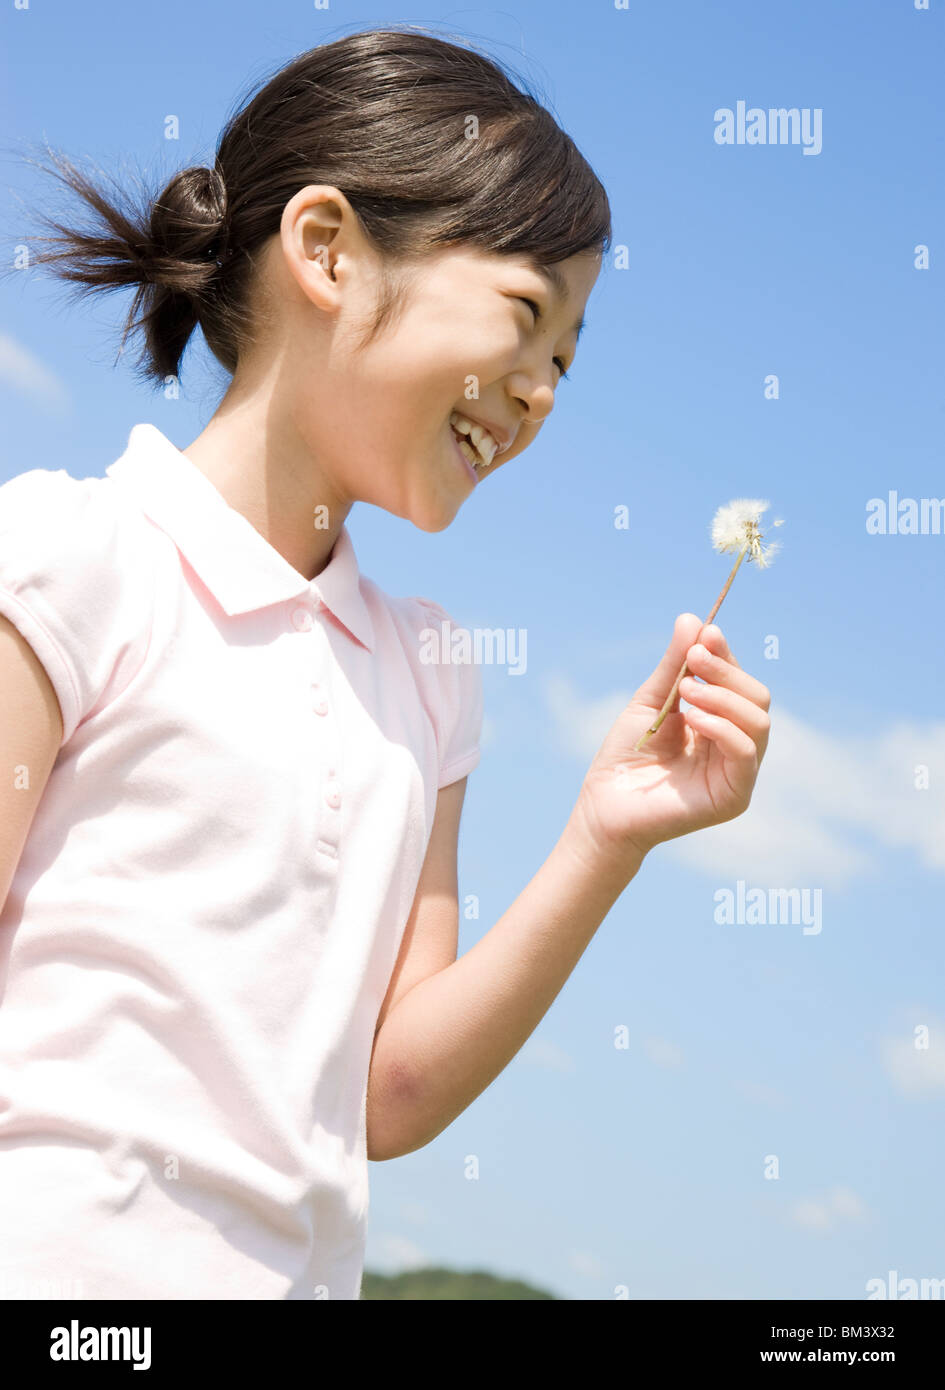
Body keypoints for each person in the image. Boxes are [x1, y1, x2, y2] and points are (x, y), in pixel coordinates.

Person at [0, 25, 771, 1301]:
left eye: (568, 360)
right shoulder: (70, 556)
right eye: (529, 316)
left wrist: (605, 836)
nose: (543, 393)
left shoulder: (428, 674)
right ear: (327, 249)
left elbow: (384, 1093)